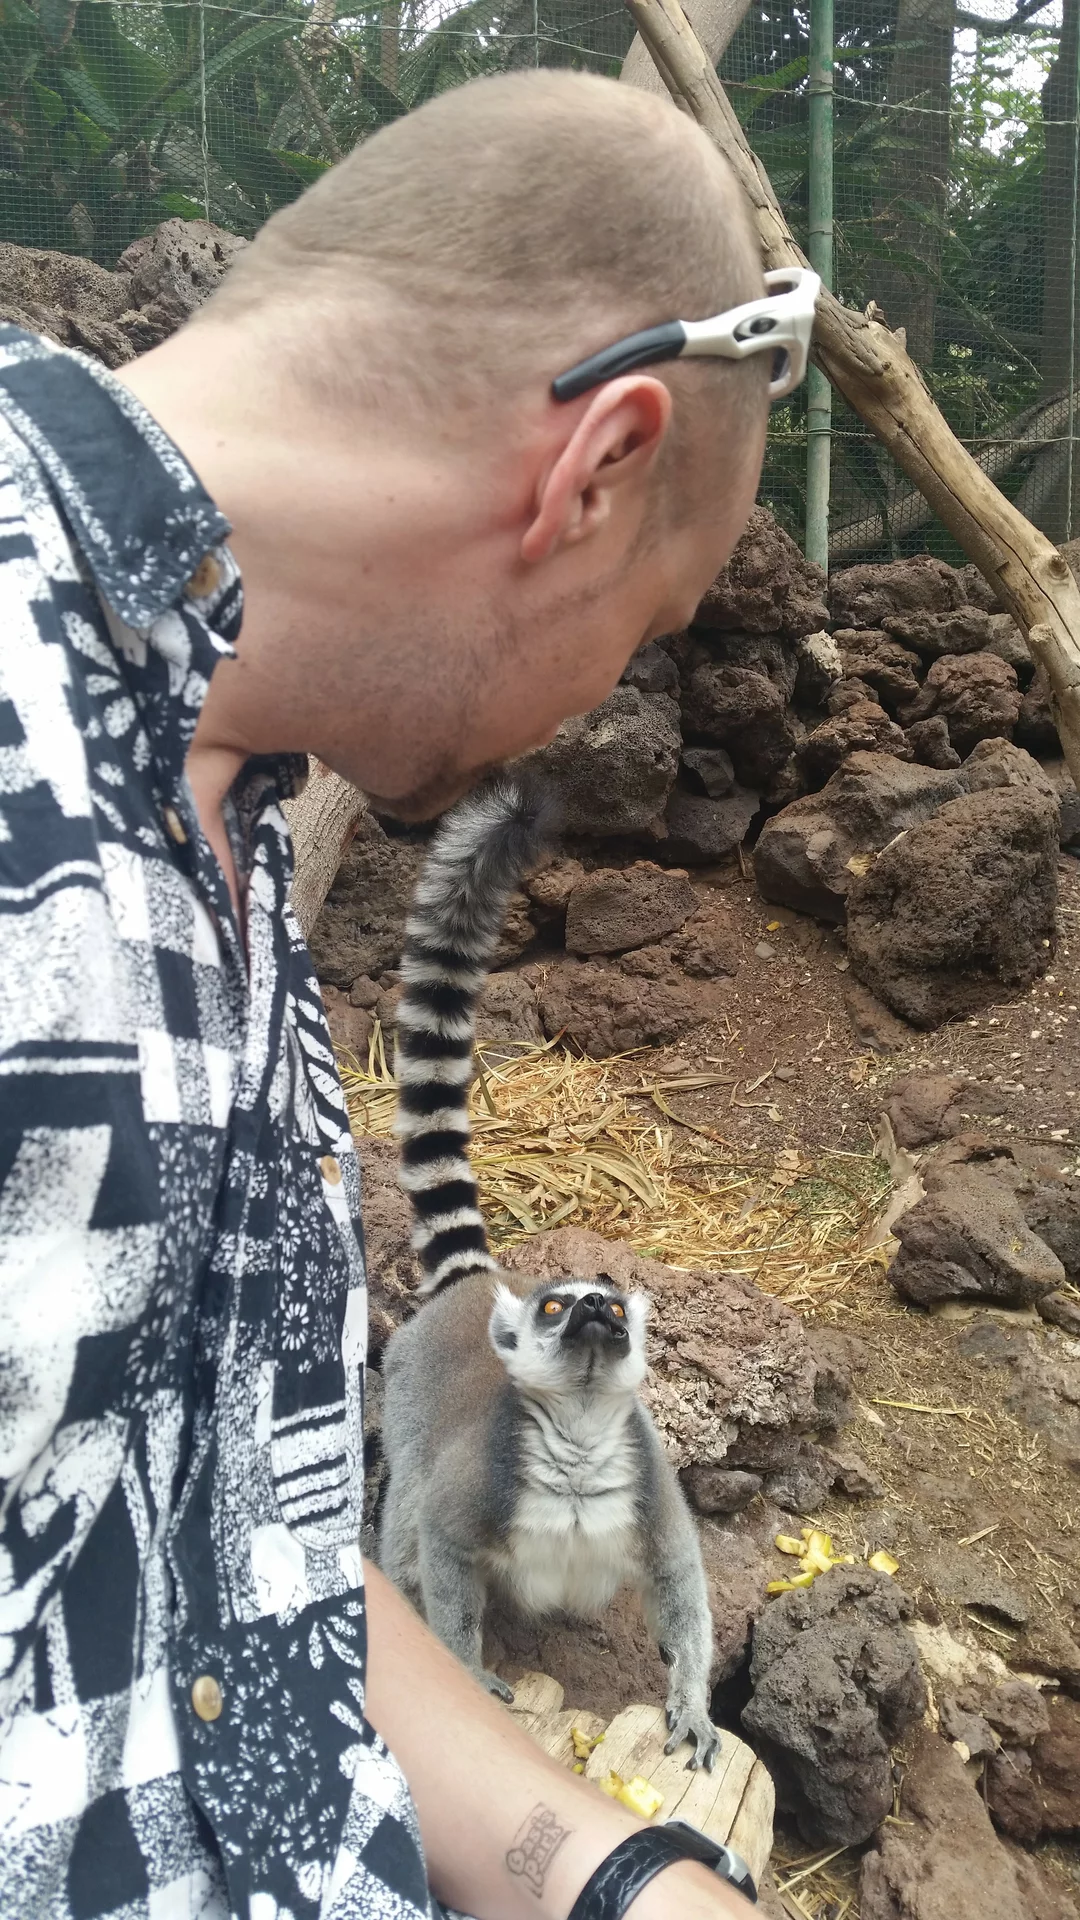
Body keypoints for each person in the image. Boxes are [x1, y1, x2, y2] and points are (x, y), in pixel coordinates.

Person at [0, 67, 780, 1920]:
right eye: (651, 628)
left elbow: (231, 1562)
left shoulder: (226, 793)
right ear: (596, 473)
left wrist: (609, 1874)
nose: (604, 697)